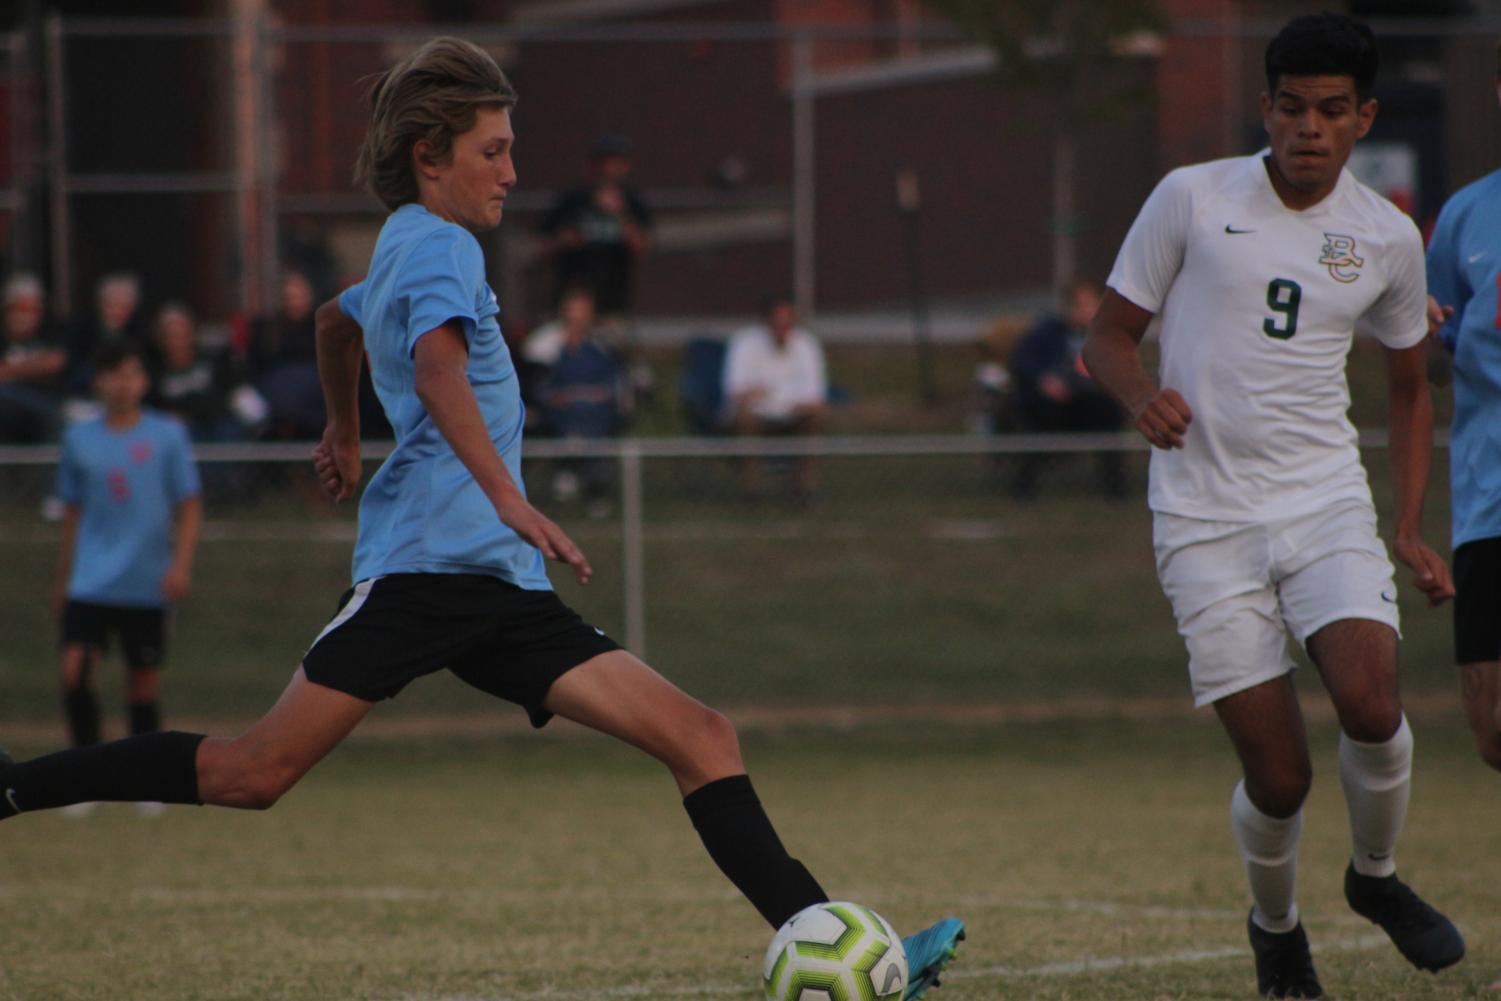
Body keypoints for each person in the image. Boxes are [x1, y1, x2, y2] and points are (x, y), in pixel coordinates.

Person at [0, 38, 964, 998]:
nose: (513, 170)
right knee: (253, 772)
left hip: (499, 585)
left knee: (701, 734)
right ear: (430, 154)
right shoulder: (439, 241)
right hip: (425, 573)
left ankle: (842, 950)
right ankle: (14, 785)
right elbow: (434, 369)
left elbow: (336, 323)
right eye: (492, 151)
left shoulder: (404, 249)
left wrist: (343, 430)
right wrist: (507, 495)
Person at [1081, 13, 1462, 998]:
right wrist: (1140, 395)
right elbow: (1108, 336)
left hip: (1322, 499)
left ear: (1362, 116)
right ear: (1266, 108)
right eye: (1291, 107)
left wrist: (1409, 523)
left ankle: (1373, 878)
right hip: (1204, 518)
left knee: (1373, 706)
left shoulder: (1381, 235)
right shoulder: (1192, 198)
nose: (1308, 127)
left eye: (1332, 111)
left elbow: (1411, 390)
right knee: (1281, 776)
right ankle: (1275, 924)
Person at [50, 341, 203, 818]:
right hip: (90, 582)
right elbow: (73, 512)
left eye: (131, 373)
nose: (122, 383)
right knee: (75, 673)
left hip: (145, 581)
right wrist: (64, 576)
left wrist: (180, 565)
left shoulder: (167, 436)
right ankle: (83, 781)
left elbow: (190, 504)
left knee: (141, 686)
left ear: (143, 382)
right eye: (113, 374)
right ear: (98, 381)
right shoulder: (79, 439)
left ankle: (146, 781)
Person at [1424, 39, 1501, 777]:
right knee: (1491, 733)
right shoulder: (1464, 216)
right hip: (1489, 503)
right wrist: (1412, 329)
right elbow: (1430, 364)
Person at [1008, 277, 1127, 499]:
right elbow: (1023, 362)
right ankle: (1024, 486)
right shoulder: (1046, 333)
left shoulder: (1103, 336)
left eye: (1094, 303)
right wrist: (1043, 381)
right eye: (1084, 305)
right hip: (1052, 404)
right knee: (1039, 419)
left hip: (1087, 401)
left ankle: (1115, 486)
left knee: (1108, 411)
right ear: (1070, 308)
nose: (1092, 310)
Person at [528, 287, 627, 513]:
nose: (577, 317)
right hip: (557, 411)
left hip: (596, 413)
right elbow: (537, 386)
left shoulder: (602, 345)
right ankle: (574, 466)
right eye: (573, 311)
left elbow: (612, 385)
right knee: (575, 411)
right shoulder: (546, 344)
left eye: (583, 311)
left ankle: (584, 476)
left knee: (593, 414)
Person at [722, 294, 829, 500]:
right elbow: (736, 392)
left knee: (817, 417)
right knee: (744, 419)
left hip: (794, 415)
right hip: (756, 415)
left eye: (788, 323)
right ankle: (752, 489)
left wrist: (767, 394)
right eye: (777, 322)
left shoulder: (806, 344)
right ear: (766, 322)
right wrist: (776, 397)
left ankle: (805, 487)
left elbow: (815, 396)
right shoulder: (745, 343)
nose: (783, 329)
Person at [538, 132, 652, 321]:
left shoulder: (631, 202)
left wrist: (619, 214)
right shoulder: (574, 199)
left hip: (613, 301)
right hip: (570, 300)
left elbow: (642, 249)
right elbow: (542, 247)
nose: (610, 169)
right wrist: (565, 240)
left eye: (617, 163)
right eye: (606, 163)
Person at [150, 301, 263, 443]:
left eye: (182, 335)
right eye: (171, 336)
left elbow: (233, 390)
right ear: (162, 340)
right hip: (183, 432)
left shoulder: (212, 362)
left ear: (191, 335)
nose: (177, 342)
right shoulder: (157, 374)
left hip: (218, 424)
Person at [0, 273, 67, 443]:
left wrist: (7, 370)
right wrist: (34, 367)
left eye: (32, 310)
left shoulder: (51, 333)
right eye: (19, 309)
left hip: (45, 405)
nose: (25, 316)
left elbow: (54, 363)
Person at [63, 272, 151, 396]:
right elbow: (72, 370)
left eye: (124, 307)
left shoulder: (140, 334)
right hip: (85, 396)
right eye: (112, 305)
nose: (117, 312)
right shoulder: (80, 328)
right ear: (100, 304)